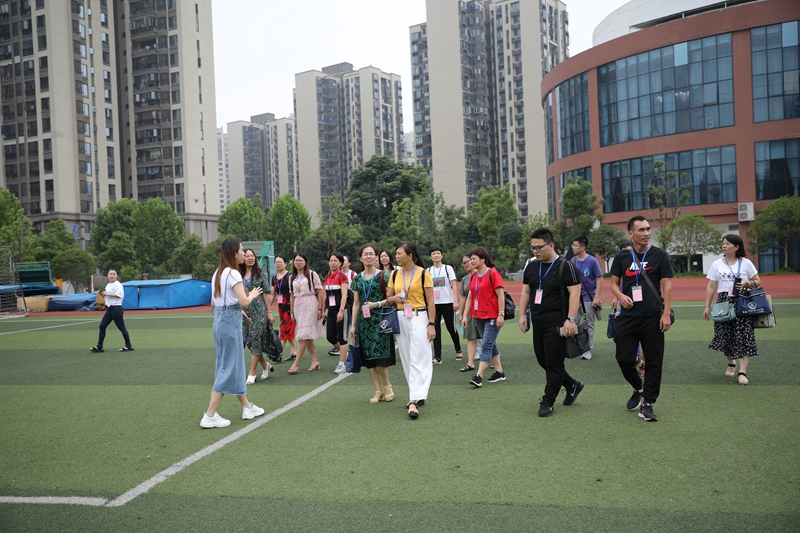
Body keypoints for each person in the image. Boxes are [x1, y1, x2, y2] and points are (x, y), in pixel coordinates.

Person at [610, 216, 673, 422]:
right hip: (627, 317)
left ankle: (648, 404)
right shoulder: (622, 257)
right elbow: (613, 284)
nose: (646, 233)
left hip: (653, 316)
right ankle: (638, 387)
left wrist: (666, 313)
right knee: (624, 358)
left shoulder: (659, 255)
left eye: (648, 229)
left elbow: (667, 285)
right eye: (641, 230)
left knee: (654, 361)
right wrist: (620, 296)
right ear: (631, 234)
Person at [201, 238, 266, 428]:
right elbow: (244, 300)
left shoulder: (218, 273)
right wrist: (252, 294)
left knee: (232, 365)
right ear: (234, 253)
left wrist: (239, 313)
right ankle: (210, 414)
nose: (244, 254)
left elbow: (217, 302)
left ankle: (247, 407)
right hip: (230, 323)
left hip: (221, 320)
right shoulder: (234, 273)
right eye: (241, 250)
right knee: (228, 367)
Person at [518, 229, 584, 417]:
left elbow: (575, 293)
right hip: (538, 322)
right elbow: (526, 292)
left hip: (558, 323)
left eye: (539, 247)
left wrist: (570, 319)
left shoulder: (565, 266)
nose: (535, 251)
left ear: (551, 245)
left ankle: (548, 401)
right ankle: (572, 384)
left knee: (553, 364)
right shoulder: (531, 266)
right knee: (543, 360)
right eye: (532, 248)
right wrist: (522, 314)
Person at [384, 241, 436, 419]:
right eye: (396, 253)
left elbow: (431, 301)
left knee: (419, 357)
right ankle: (417, 394)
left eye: (399, 253)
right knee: (407, 358)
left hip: (418, 316)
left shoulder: (423, 274)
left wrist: (431, 324)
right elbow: (388, 297)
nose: (397, 256)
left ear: (410, 255)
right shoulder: (394, 274)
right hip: (400, 317)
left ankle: (413, 400)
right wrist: (394, 299)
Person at [703, 234, 761, 385]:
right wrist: (707, 307)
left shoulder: (746, 263)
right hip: (723, 302)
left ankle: (742, 372)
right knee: (724, 336)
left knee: (745, 336)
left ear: (736, 247)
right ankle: (731, 362)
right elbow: (711, 286)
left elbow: (758, 281)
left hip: (742, 302)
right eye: (723, 243)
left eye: (728, 243)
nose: (724, 246)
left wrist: (747, 284)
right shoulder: (716, 264)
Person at [349, 244, 396, 403]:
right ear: (360, 258)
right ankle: (378, 390)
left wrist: (375, 305)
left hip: (381, 320)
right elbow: (356, 303)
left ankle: (387, 386)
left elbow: (391, 299)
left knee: (379, 355)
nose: (368, 256)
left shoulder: (384, 275)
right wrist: (353, 325)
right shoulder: (357, 278)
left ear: (376, 257)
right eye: (365, 254)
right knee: (369, 358)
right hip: (364, 322)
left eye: (371, 254)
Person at [461, 246, 506, 388]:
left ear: (483, 259)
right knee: (491, 344)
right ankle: (499, 372)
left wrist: (501, 314)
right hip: (478, 317)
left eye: (474, 259)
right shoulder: (474, 276)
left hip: (492, 316)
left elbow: (501, 295)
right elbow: (470, 298)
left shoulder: (493, 274)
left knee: (486, 345)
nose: (471, 261)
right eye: (470, 259)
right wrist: (465, 316)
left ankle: (479, 376)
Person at [240, 249, 274, 384]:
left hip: (258, 310)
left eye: (252, 256)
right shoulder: (238, 274)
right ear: (243, 258)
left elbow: (266, 293)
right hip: (244, 311)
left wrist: (269, 313)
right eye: (247, 256)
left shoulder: (260, 274)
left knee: (255, 339)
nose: (250, 258)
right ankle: (265, 365)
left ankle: (252, 372)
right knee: (248, 341)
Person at [611, 241, 645, 377]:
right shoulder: (622, 263)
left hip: (645, 306)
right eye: (624, 250)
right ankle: (636, 359)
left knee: (645, 339)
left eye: (629, 250)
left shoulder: (644, 262)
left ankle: (644, 364)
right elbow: (616, 283)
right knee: (626, 337)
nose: (628, 253)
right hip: (626, 305)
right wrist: (616, 298)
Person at [287, 253, 325, 374]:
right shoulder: (291, 277)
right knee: (307, 335)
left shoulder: (312, 274)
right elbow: (292, 295)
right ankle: (315, 361)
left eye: (301, 260)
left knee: (303, 335)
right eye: (296, 260)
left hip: (310, 304)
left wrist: (320, 309)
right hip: (298, 307)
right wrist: (292, 311)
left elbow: (320, 292)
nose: (298, 263)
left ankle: (296, 363)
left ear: (305, 262)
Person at [570, 235, 604, 360]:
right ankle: (577, 346)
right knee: (574, 322)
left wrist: (596, 297)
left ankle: (588, 349)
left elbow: (599, 279)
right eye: (573, 245)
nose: (573, 248)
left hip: (588, 297)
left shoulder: (592, 261)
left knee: (589, 323)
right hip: (575, 298)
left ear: (583, 247)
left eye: (575, 245)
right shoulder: (572, 261)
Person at [427, 246, 462, 364]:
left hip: (447, 303)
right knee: (435, 329)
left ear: (442, 255)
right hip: (434, 304)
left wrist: (455, 300)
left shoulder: (448, 268)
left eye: (438, 253)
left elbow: (454, 284)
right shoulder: (428, 271)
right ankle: (437, 356)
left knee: (451, 328)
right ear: (430, 257)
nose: (436, 255)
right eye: (433, 253)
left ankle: (458, 350)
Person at [89, 268, 134, 353]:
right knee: (102, 326)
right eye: (110, 274)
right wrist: (103, 298)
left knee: (122, 328)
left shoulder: (118, 285)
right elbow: (107, 296)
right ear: (108, 275)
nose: (112, 275)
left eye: (114, 274)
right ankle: (99, 346)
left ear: (117, 276)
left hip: (117, 309)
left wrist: (106, 293)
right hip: (110, 309)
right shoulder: (108, 285)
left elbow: (119, 295)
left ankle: (128, 346)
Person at [324, 252, 350, 374]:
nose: (333, 263)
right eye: (331, 260)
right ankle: (347, 355)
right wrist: (323, 310)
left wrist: (341, 310)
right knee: (330, 337)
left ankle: (342, 364)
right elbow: (327, 296)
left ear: (340, 263)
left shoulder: (342, 276)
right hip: (331, 311)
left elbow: (344, 295)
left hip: (341, 310)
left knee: (342, 337)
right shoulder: (327, 277)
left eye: (335, 261)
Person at [457, 253, 483, 373]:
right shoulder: (465, 279)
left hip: (484, 310)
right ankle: (470, 363)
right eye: (464, 263)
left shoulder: (484, 274)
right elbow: (464, 297)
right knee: (471, 337)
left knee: (488, 337)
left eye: (468, 261)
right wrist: (461, 314)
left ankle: (494, 361)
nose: (466, 264)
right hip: (470, 312)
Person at [271, 254, 297, 361]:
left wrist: (293, 309)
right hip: (281, 307)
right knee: (286, 329)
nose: (278, 264)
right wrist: (268, 307)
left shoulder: (290, 276)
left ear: (285, 264)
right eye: (276, 262)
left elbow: (294, 292)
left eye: (280, 262)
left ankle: (279, 352)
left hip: (290, 306)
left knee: (285, 328)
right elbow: (272, 294)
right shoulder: (274, 278)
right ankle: (294, 351)